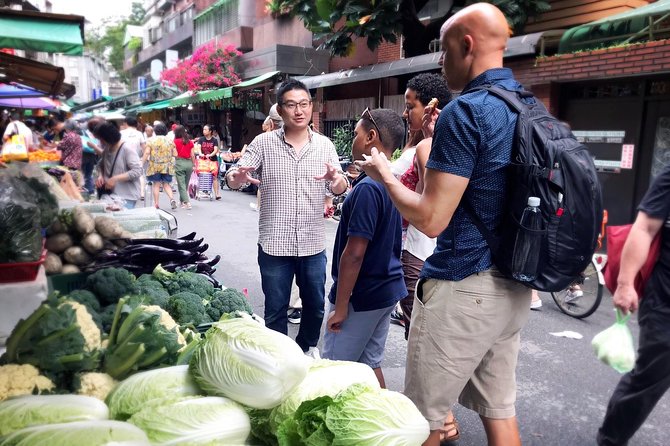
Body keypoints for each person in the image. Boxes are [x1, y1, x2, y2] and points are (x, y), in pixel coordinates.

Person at [358, 4, 533, 445]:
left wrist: (384, 177)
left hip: (464, 285)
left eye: (443, 51)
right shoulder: (526, 105)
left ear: (467, 45)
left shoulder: (467, 111)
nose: (440, 61)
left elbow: (432, 219)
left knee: (422, 421)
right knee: (499, 411)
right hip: (514, 283)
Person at [226, 78, 348, 357]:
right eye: (291, 105)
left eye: (304, 104)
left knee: (315, 305)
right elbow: (235, 178)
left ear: (310, 107)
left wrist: (336, 180)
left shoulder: (324, 146)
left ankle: (305, 349)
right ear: (280, 111)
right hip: (274, 244)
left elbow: (339, 187)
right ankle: (278, 358)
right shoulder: (264, 143)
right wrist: (237, 177)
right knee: (276, 308)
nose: (299, 111)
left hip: (312, 243)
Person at [323, 108, 406, 388]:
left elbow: (355, 253)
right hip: (385, 291)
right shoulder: (390, 181)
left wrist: (342, 307)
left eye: (356, 134)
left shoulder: (369, 187)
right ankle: (389, 422)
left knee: (332, 370)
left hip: (361, 296)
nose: (353, 140)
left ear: (371, 137)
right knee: (369, 365)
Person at [597, 162, 670, 446]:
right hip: (665, 299)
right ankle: (611, 439)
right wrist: (626, 284)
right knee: (650, 377)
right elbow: (645, 228)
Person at [391, 73, 452, 337]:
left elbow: (432, 195)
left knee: (418, 332)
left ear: (430, 108)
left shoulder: (429, 147)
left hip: (420, 250)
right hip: (412, 245)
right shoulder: (421, 144)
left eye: (409, 106)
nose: (405, 114)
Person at [94, 121, 143, 209]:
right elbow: (100, 164)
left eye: (100, 139)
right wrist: (100, 175)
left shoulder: (127, 149)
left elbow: (137, 171)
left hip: (126, 197)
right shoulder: (108, 149)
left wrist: (115, 178)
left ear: (107, 137)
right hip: (111, 195)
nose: (100, 141)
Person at [142, 122, 177, 210]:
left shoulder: (151, 140)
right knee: (166, 184)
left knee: (156, 185)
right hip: (167, 166)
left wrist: (142, 163)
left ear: (155, 131)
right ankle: (172, 199)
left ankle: (156, 204)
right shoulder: (169, 141)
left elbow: (146, 152)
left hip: (155, 166)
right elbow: (175, 154)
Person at [121, 117, 147, 200]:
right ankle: (142, 193)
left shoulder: (121, 133)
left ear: (126, 123)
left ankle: (126, 193)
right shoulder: (139, 134)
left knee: (125, 175)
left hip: (123, 158)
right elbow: (144, 147)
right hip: (136, 158)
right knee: (140, 176)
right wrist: (143, 159)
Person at [197, 124, 221, 200]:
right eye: (203, 129)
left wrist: (210, 155)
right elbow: (199, 148)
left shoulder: (214, 140)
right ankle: (200, 191)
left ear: (210, 131)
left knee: (214, 176)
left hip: (213, 160)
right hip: (203, 161)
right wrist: (200, 153)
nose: (204, 131)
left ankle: (217, 194)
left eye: (205, 129)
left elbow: (215, 150)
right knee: (201, 175)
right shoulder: (201, 139)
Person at [174, 125, 194, 210]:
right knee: (185, 184)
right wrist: (194, 165)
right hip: (189, 163)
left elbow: (174, 154)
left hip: (179, 163)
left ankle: (187, 202)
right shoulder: (189, 142)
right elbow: (192, 155)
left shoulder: (174, 141)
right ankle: (181, 201)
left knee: (181, 184)